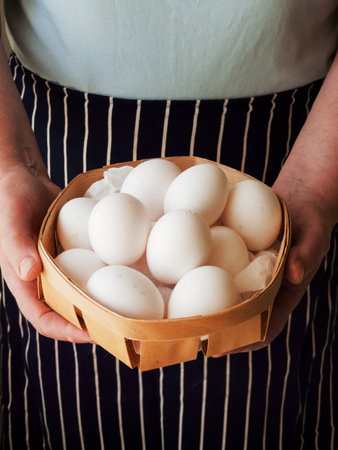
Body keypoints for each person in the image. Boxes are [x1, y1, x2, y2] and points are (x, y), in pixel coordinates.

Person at [0, 1, 337, 448]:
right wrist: (10, 163)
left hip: (295, 152)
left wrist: (313, 183)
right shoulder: (88, 223)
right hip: (58, 165)